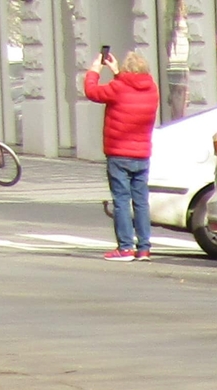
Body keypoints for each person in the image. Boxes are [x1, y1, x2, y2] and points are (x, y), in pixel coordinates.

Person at [83, 49, 158, 260]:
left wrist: (94, 70)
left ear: (126, 71)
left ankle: (125, 247)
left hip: (119, 153)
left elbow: (92, 92)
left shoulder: (118, 88)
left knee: (122, 201)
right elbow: (130, 88)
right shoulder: (152, 89)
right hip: (142, 154)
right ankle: (144, 248)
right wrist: (117, 72)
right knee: (141, 201)